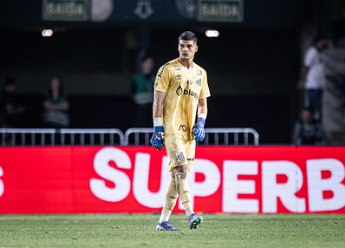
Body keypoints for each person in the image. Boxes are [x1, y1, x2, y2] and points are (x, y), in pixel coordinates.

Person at [150, 31, 211, 231]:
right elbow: (157, 102)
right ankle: (190, 213)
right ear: (178, 47)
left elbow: (203, 105)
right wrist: (158, 129)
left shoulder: (201, 73)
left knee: (176, 177)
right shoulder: (167, 69)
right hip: (171, 129)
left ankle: (162, 222)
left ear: (195, 48)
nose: (185, 49)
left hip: (189, 134)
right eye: (181, 46)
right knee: (182, 170)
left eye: (188, 46)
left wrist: (201, 123)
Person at [298, 34, 330, 122]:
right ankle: (312, 122)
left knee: (319, 106)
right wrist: (302, 80)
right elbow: (305, 67)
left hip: (320, 84)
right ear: (319, 42)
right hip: (313, 84)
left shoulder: (321, 52)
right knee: (313, 106)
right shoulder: (312, 52)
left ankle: (317, 122)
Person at [131, 55, 155, 127]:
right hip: (139, 109)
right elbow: (132, 93)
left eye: (150, 63)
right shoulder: (137, 78)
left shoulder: (155, 77)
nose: (148, 65)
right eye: (146, 62)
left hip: (152, 109)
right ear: (142, 64)